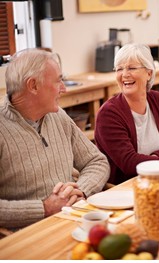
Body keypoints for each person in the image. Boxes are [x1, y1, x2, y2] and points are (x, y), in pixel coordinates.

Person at [0, 49, 110, 231]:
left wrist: (80, 190)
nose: (64, 89)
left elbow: (97, 161)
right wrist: (44, 208)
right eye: (58, 80)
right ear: (33, 86)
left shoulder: (58, 116)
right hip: (28, 236)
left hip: (74, 218)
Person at [95, 43, 159, 184]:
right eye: (119, 69)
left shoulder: (157, 100)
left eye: (132, 68)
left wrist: (155, 156)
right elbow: (130, 163)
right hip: (127, 189)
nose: (125, 74)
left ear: (149, 73)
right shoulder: (108, 114)